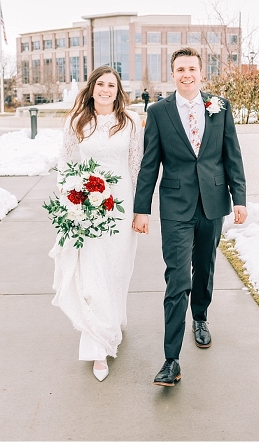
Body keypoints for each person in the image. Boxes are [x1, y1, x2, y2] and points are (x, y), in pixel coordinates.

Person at [132, 47, 247, 387]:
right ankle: (171, 360)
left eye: (192, 68)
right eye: (180, 69)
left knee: (205, 266)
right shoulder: (158, 111)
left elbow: (232, 156)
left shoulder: (220, 107)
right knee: (177, 278)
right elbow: (149, 164)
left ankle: (200, 317)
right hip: (175, 206)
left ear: (201, 72)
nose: (186, 74)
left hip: (212, 202)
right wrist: (142, 209)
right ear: (173, 73)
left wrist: (239, 198)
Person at [50, 65, 143, 382]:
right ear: (91, 88)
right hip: (86, 208)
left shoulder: (129, 122)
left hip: (120, 207)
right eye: (101, 84)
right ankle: (97, 346)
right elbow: (65, 163)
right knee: (92, 273)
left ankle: (112, 319)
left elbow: (136, 167)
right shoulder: (77, 122)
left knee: (116, 268)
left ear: (118, 92)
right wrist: (70, 197)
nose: (106, 90)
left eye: (112, 86)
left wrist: (141, 210)